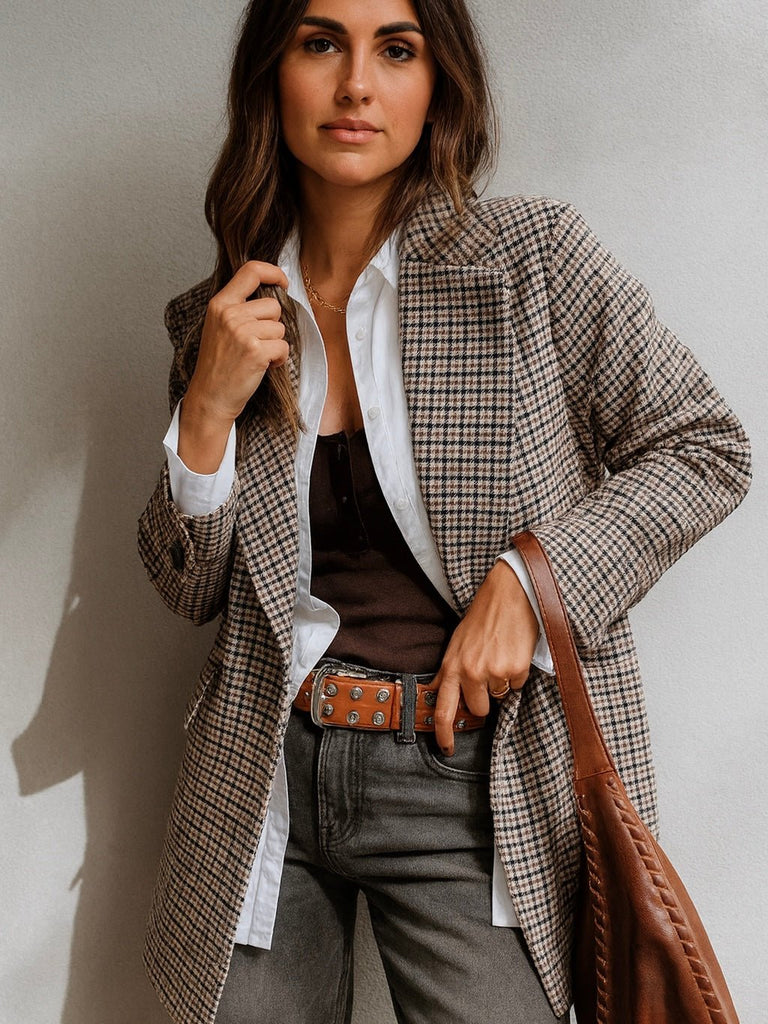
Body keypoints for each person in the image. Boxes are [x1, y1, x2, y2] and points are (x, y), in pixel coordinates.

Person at [137, 1, 751, 1022]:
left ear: (440, 85)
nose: (356, 86)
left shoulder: (531, 262)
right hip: (268, 775)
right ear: (270, 75)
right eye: (321, 41)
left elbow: (704, 443)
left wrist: (531, 578)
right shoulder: (222, 314)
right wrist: (206, 406)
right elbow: (189, 586)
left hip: (474, 776)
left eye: (398, 49)